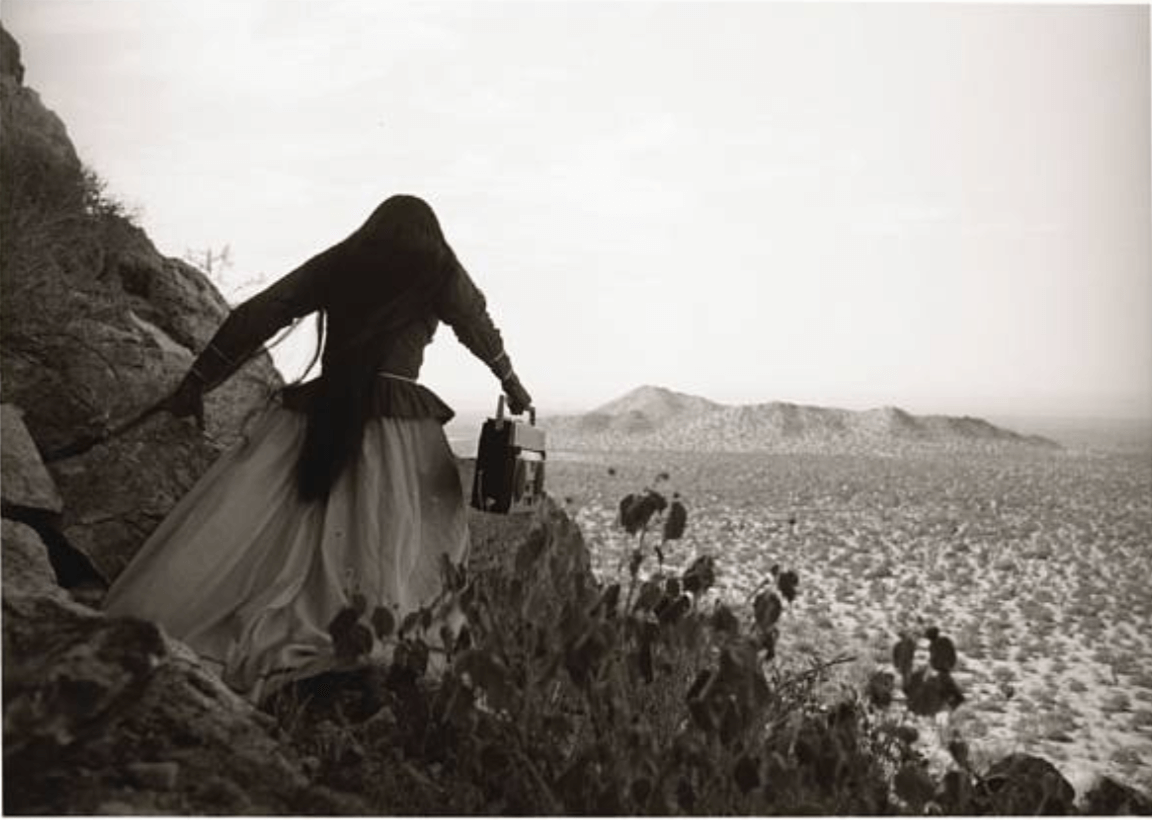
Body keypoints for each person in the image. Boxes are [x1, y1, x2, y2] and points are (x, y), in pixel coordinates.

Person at [103, 194, 532, 703]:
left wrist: (199, 380)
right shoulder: (438, 266)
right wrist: (513, 385)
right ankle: (372, 642)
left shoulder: (343, 259)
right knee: (406, 537)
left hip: (319, 412)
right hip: (398, 425)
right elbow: (478, 325)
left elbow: (262, 313)